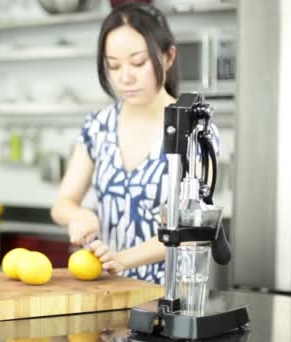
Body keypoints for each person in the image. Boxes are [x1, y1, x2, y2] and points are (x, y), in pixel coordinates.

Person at [51, 2, 219, 284]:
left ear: (168, 56)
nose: (124, 77)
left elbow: (191, 228)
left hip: (167, 300)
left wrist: (122, 260)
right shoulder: (98, 126)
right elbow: (62, 204)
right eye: (113, 66)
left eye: (138, 62)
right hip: (106, 294)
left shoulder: (194, 130)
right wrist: (79, 215)